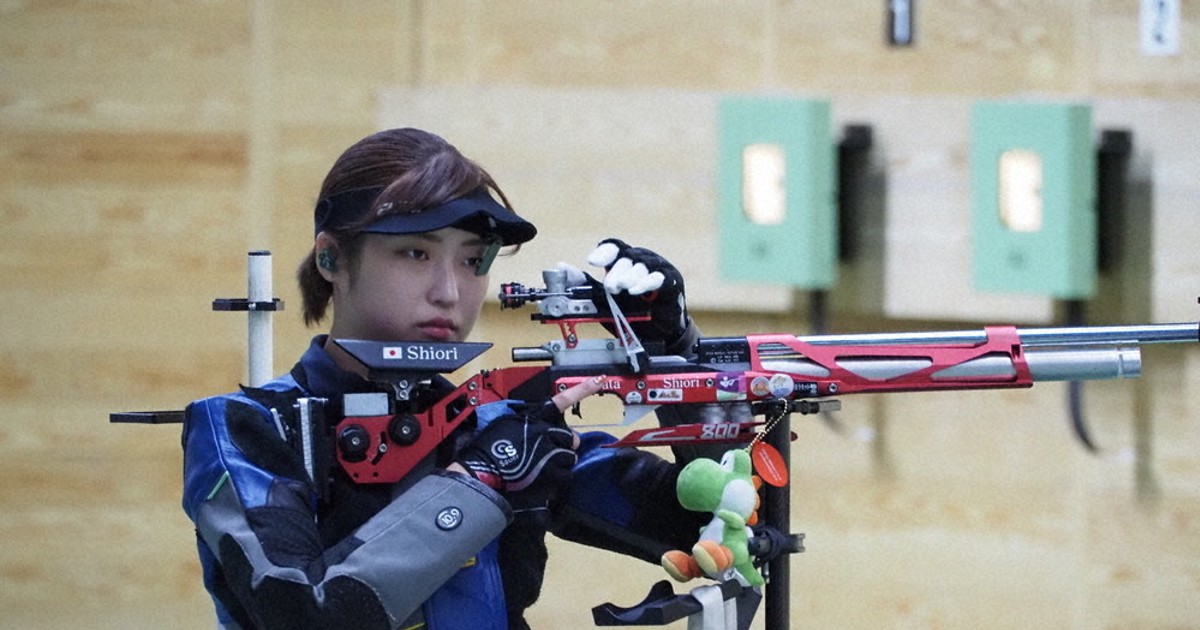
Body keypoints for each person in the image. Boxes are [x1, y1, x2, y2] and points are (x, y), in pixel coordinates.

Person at [181, 127, 741, 630]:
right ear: (331, 260)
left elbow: (718, 519)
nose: (450, 292)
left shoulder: (496, 424)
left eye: (474, 260)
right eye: (414, 253)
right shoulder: (246, 427)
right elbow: (303, 612)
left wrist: (676, 353)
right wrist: (483, 478)